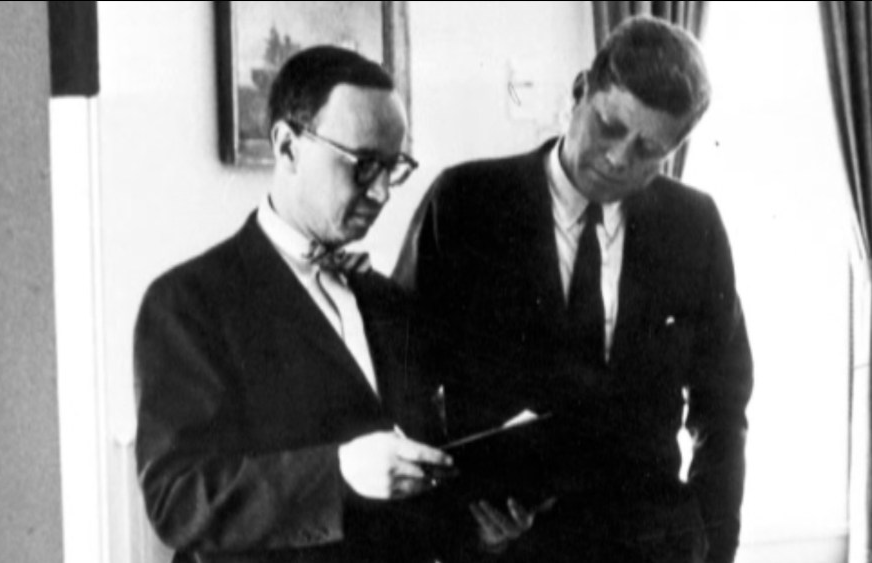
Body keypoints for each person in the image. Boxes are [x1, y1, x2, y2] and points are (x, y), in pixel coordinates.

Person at [406, 16, 753, 563]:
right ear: (578, 92)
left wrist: (713, 544)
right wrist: (453, 523)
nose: (619, 158)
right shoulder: (465, 203)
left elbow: (724, 405)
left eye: (649, 148)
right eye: (610, 126)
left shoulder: (693, 225)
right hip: (505, 549)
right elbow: (404, 379)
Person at [134, 46, 481, 563]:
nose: (383, 193)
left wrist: (478, 525)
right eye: (364, 165)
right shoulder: (188, 301)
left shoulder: (387, 301)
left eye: (393, 168)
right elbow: (177, 500)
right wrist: (337, 472)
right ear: (288, 147)